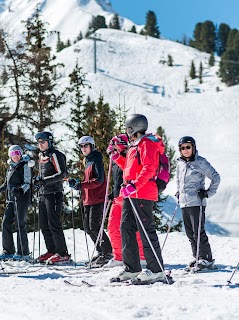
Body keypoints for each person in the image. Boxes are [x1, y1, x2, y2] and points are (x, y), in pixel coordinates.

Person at [110, 114, 166, 283]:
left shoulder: (147, 143)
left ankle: (156, 270)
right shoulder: (135, 146)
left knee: (145, 230)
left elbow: (149, 168)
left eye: (128, 129)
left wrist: (135, 185)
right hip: (130, 192)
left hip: (142, 191)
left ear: (133, 128)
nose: (126, 132)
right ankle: (132, 268)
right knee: (125, 228)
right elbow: (131, 169)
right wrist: (117, 158)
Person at [176, 136, 220, 271]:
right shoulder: (180, 163)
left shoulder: (200, 162)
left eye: (188, 147)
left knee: (198, 231)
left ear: (193, 148)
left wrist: (207, 193)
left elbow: (216, 177)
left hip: (197, 201)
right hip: (184, 202)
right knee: (189, 232)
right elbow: (179, 180)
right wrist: (178, 192)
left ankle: (206, 258)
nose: (186, 150)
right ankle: (197, 257)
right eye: (183, 148)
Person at [69, 136, 113, 267]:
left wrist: (82, 185)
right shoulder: (87, 160)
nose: (83, 148)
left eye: (85, 146)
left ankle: (107, 253)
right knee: (88, 228)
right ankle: (101, 252)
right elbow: (88, 180)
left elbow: (99, 180)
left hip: (98, 198)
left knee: (94, 226)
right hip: (88, 198)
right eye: (81, 146)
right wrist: (77, 183)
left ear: (91, 146)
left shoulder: (96, 158)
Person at [104, 133, 146, 268]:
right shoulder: (114, 159)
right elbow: (117, 179)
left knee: (132, 228)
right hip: (118, 197)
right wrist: (112, 193)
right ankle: (119, 257)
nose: (114, 146)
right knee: (112, 227)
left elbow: (129, 170)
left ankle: (141, 256)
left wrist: (117, 156)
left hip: (129, 195)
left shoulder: (130, 154)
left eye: (116, 143)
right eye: (113, 144)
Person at [0, 145, 32, 261]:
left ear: (21, 154)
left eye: (17, 153)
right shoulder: (10, 167)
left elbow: (28, 182)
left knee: (20, 224)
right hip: (10, 199)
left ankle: (23, 253)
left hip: (21, 199)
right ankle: (8, 251)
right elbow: (6, 185)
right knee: (5, 223)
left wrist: (20, 190)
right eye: (12, 154)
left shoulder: (25, 165)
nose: (15, 156)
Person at [34, 131, 70, 264]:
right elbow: (42, 175)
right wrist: (38, 181)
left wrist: (44, 181)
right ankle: (51, 250)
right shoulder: (41, 155)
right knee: (44, 224)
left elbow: (62, 174)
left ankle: (62, 253)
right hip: (44, 194)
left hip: (54, 193)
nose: (40, 144)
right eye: (38, 142)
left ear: (49, 142)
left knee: (54, 224)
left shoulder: (55, 154)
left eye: (43, 142)